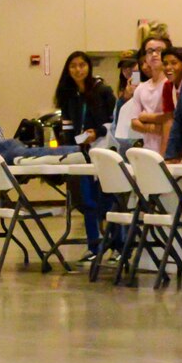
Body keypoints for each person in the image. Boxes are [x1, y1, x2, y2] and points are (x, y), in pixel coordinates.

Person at [53, 51, 115, 259]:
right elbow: (68, 129)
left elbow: (113, 123)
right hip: (80, 154)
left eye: (82, 65)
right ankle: (94, 246)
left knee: (108, 198)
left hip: (103, 150)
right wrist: (70, 149)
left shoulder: (103, 91)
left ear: (88, 67)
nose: (78, 70)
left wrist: (97, 132)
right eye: (73, 66)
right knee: (87, 201)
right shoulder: (68, 96)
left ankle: (117, 246)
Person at [125, 39, 173, 153]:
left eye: (159, 50)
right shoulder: (141, 88)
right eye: (150, 51)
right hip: (148, 149)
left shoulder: (172, 83)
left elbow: (172, 118)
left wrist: (145, 117)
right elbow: (134, 122)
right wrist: (153, 128)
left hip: (169, 149)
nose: (154, 54)